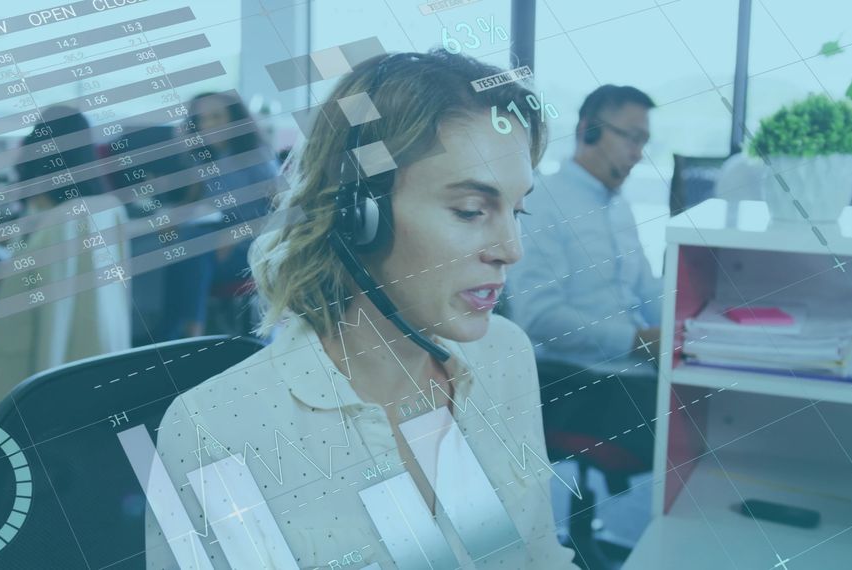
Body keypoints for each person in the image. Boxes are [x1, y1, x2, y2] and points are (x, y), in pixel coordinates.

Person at [146, 51, 580, 569]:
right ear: (359, 215)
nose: (511, 248)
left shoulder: (503, 355)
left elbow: (530, 556)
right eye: (471, 211)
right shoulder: (216, 429)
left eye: (518, 210)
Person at [0, 107, 131, 410]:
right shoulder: (106, 208)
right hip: (93, 359)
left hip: (26, 371)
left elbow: (6, 287)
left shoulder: (52, 219)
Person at [509, 85, 662, 368]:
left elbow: (647, 289)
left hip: (641, 368)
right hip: (583, 378)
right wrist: (638, 341)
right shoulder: (542, 203)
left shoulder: (621, 206)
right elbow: (539, 317)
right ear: (589, 130)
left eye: (645, 142)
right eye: (633, 138)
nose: (639, 154)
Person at [161, 92, 280, 340]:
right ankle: (186, 330)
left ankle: (185, 333)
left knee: (193, 249)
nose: (209, 126)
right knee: (187, 243)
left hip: (260, 245)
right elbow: (196, 202)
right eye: (202, 120)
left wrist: (237, 233)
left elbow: (285, 212)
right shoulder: (209, 158)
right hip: (224, 245)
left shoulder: (254, 156)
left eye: (217, 117)